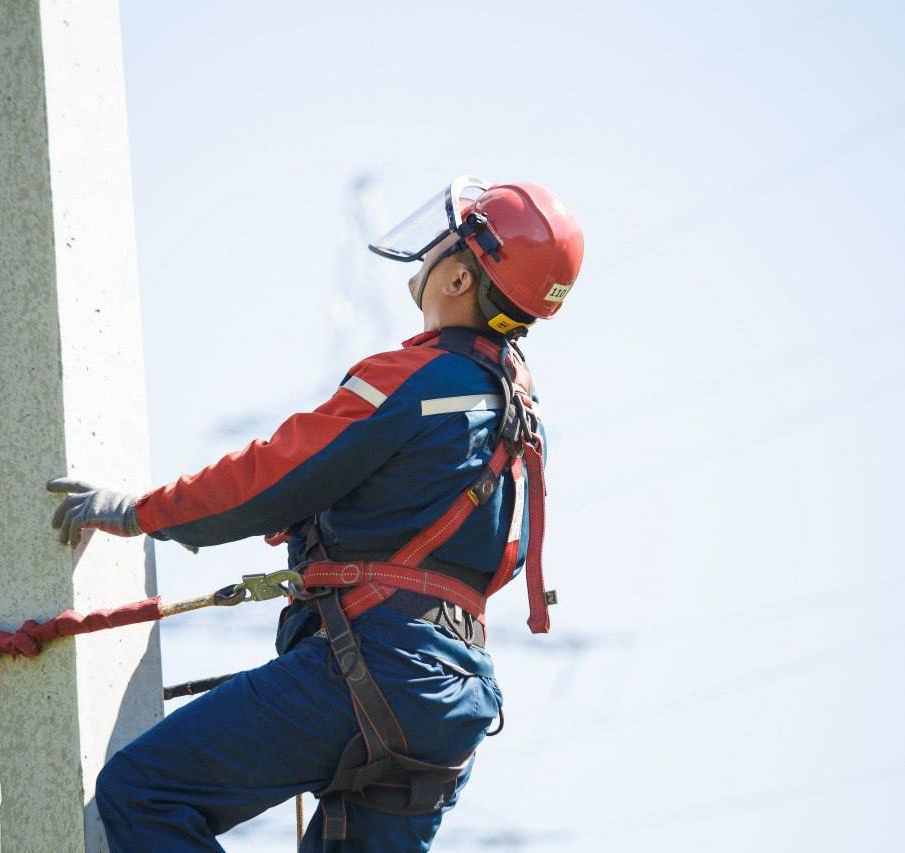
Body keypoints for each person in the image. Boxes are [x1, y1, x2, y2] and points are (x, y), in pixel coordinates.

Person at [48, 176, 584, 851]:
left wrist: (141, 511)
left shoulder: (416, 379)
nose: (427, 252)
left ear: (458, 278)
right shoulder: (520, 414)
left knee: (147, 789)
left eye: (443, 243)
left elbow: (273, 476)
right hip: (454, 695)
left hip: (375, 664)